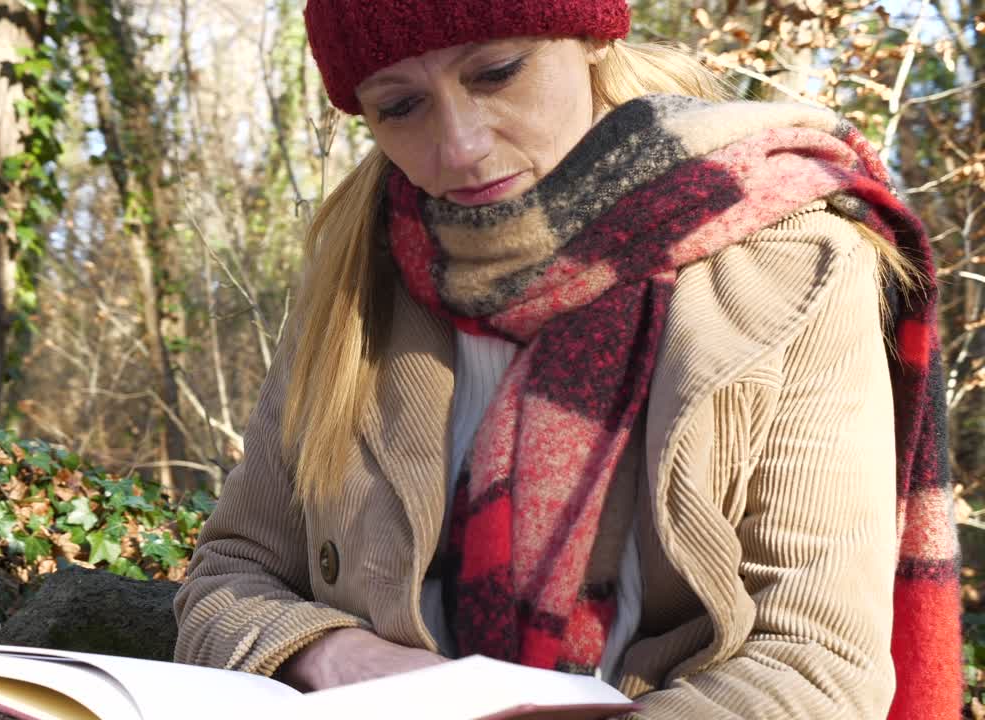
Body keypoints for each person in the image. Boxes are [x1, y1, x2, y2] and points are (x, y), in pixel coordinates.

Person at [172, 1, 962, 718]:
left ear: (587, 36)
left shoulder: (792, 263)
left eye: (496, 73)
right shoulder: (356, 281)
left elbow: (818, 664)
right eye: (400, 105)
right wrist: (335, 654)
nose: (460, 145)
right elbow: (231, 574)